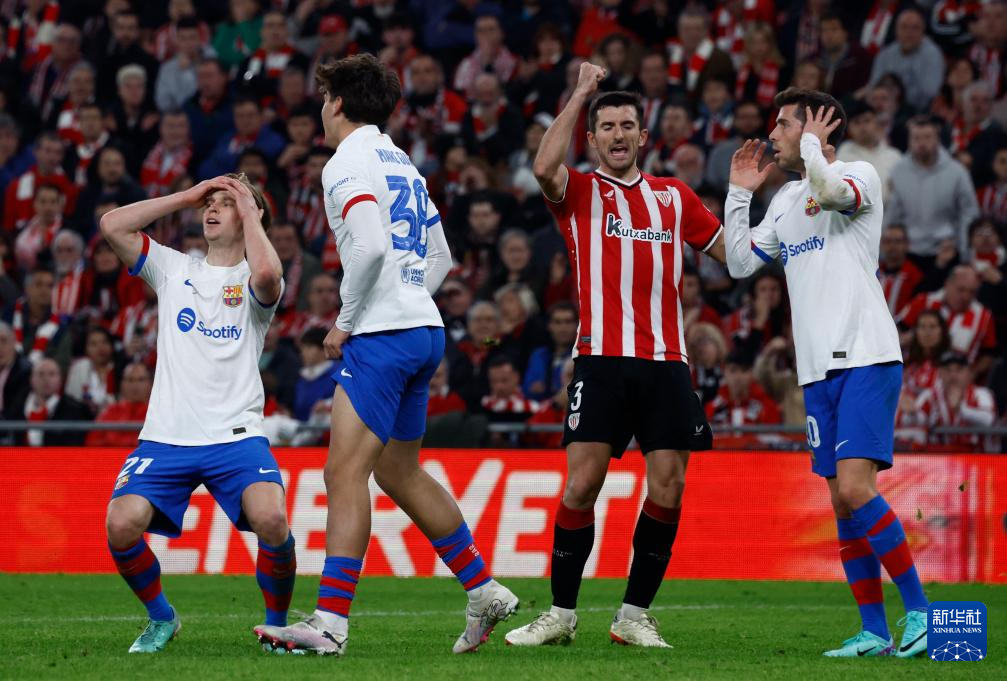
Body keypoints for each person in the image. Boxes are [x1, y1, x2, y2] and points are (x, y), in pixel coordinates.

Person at [255, 53, 517, 657]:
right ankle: (483, 589)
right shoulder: (403, 161)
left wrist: (347, 321)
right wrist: (407, 297)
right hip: (423, 329)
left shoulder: (346, 162)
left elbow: (370, 247)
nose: (322, 110)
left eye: (325, 99)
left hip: (383, 336)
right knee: (398, 470)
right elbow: (440, 254)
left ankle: (330, 624)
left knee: (343, 473)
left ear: (339, 103)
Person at [505, 63, 728, 649]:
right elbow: (543, 168)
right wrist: (582, 91)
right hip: (600, 360)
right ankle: (561, 614)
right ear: (593, 137)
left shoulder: (674, 197)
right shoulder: (579, 192)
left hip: (666, 362)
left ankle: (633, 615)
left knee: (669, 486)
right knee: (582, 485)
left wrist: (750, 198)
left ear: (643, 136)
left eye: (628, 125)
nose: (618, 134)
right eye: (607, 126)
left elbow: (734, 254)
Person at [724, 87, 929, 658]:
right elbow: (740, 263)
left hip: (865, 354)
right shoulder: (786, 199)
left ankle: (921, 614)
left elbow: (833, 193)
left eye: (784, 125)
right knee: (842, 502)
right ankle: (875, 631)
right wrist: (740, 195)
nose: (773, 135)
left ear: (816, 129)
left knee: (859, 489)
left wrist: (814, 147)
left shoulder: (858, 174)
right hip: (816, 371)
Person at [99, 172, 296, 654]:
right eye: (210, 202)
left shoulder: (254, 278)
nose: (212, 208)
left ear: (250, 216)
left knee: (272, 519)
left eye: (225, 203)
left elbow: (268, 278)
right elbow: (112, 225)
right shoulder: (172, 268)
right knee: (120, 524)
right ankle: (161, 618)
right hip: (167, 436)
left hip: (237, 436)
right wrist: (185, 196)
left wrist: (250, 211)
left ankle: (276, 627)